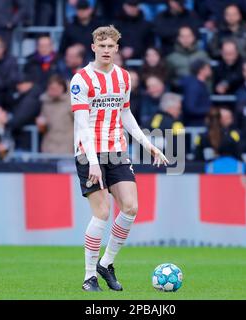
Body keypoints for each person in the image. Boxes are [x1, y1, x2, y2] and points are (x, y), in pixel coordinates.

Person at [69, 25, 168, 292]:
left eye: (110, 46)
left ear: (116, 48)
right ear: (93, 47)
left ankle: (106, 263)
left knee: (131, 207)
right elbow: (81, 123)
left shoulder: (124, 77)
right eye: (101, 46)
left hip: (117, 151)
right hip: (89, 152)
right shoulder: (81, 80)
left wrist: (148, 144)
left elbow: (125, 114)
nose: (106, 50)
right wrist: (92, 162)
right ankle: (89, 276)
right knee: (101, 213)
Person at [36, 75, 73, 154]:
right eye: (51, 88)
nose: (53, 91)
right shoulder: (45, 102)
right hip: (49, 145)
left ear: (62, 88)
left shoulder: (71, 102)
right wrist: (41, 125)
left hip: (67, 144)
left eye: (56, 88)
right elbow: (43, 128)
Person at [180, 59, 212, 126]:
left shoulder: (201, 84)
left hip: (199, 121)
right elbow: (190, 108)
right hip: (194, 123)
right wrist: (208, 111)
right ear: (201, 70)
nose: (210, 70)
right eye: (207, 68)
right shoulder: (194, 86)